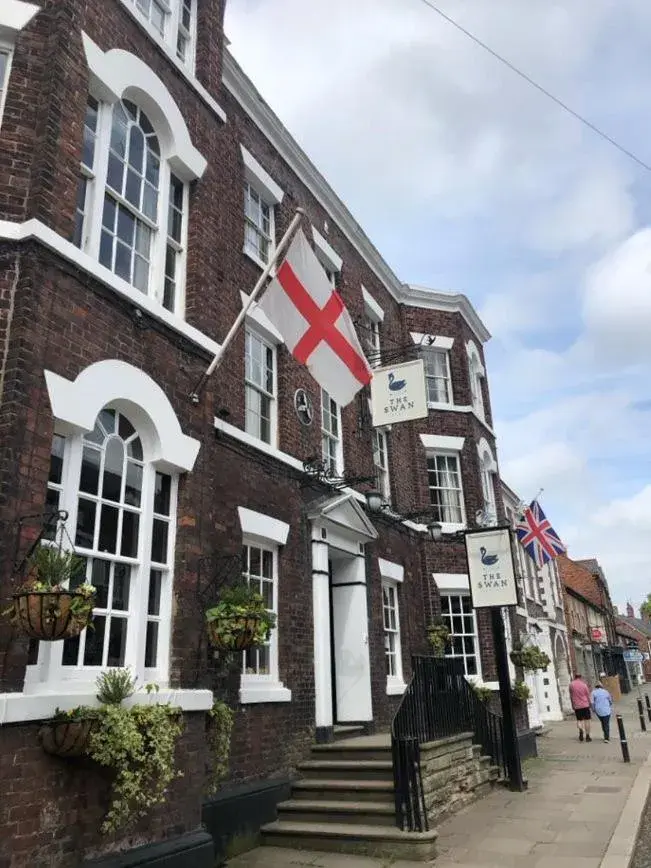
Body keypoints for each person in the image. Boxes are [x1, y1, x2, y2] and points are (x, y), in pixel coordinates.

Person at [569, 673, 592, 742]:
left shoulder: (571, 685)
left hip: (577, 705)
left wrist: (572, 704)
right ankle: (587, 736)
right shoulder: (584, 685)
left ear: (574, 677)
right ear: (580, 677)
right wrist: (590, 703)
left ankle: (581, 730)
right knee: (587, 720)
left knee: (579, 720)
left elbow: (571, 695)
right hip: (585, 705)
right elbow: (588, 695)